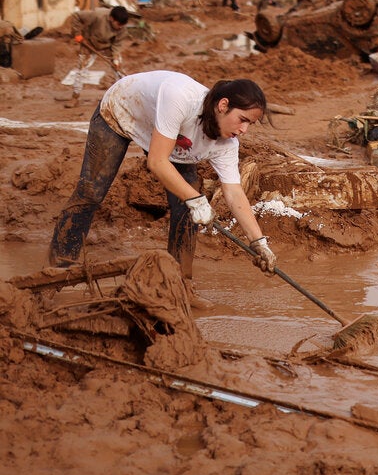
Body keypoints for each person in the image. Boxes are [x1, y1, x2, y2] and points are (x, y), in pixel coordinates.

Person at [49, 71, 277, 304]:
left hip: (166, 135)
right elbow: (157, 162)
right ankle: (58, 273)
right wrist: (197, 199)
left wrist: (258, 242)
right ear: (223, 105)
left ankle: (180, 287)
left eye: (250, 124)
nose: (244, 130)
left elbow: (234, 191)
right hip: (121, 112)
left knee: (187, 208)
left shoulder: (227, 143)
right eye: (243, 119)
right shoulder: (180, 98)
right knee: (92, 191)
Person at [66, 6, 129, 108]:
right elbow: (76, 16)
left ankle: (122, 97)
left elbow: (117, 44)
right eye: (118, 25)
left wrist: (115, 59)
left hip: (108, 46)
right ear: (111, 19)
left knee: (119, 71)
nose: (120, 27)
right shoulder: (97, 15)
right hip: (89, 43)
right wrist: (77, 34)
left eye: (122, 25)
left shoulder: (122, 28)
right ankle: (75, 96)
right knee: (81, 69)